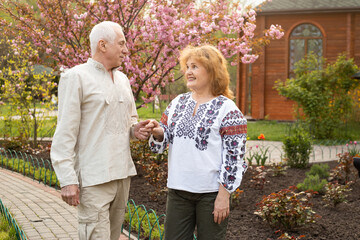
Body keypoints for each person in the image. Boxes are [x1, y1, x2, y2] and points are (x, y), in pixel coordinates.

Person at [50, 21, 151, 240]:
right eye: (121, 43)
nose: (126, 50)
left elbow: (130, 121)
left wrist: (137, 130)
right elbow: (65, 133)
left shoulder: (123, 80)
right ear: (103, 45)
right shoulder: (75, 77)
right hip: (93, 179)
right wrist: (67, 180)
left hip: (122, 175)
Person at [147, 45, 248, 240]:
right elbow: (165, 136)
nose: (188, 72)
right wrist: (158, 132)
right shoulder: (177, 103)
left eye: (195, 67)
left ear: (211, 71)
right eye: (188, 66)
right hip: (178, 191)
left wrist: (223, 196)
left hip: (210, 195)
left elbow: (234, 158)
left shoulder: (228, 110)